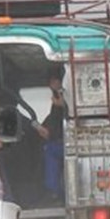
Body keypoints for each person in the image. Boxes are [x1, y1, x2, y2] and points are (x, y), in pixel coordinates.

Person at [35, 63, 68, 202]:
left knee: (49, 150)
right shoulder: (57, 99)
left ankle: (53, 191)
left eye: (54, 80)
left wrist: (62, 104)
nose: (51, 84)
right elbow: (52, 121)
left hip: (65, 143)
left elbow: (63, 119)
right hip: (59, 139)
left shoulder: (65, 96)